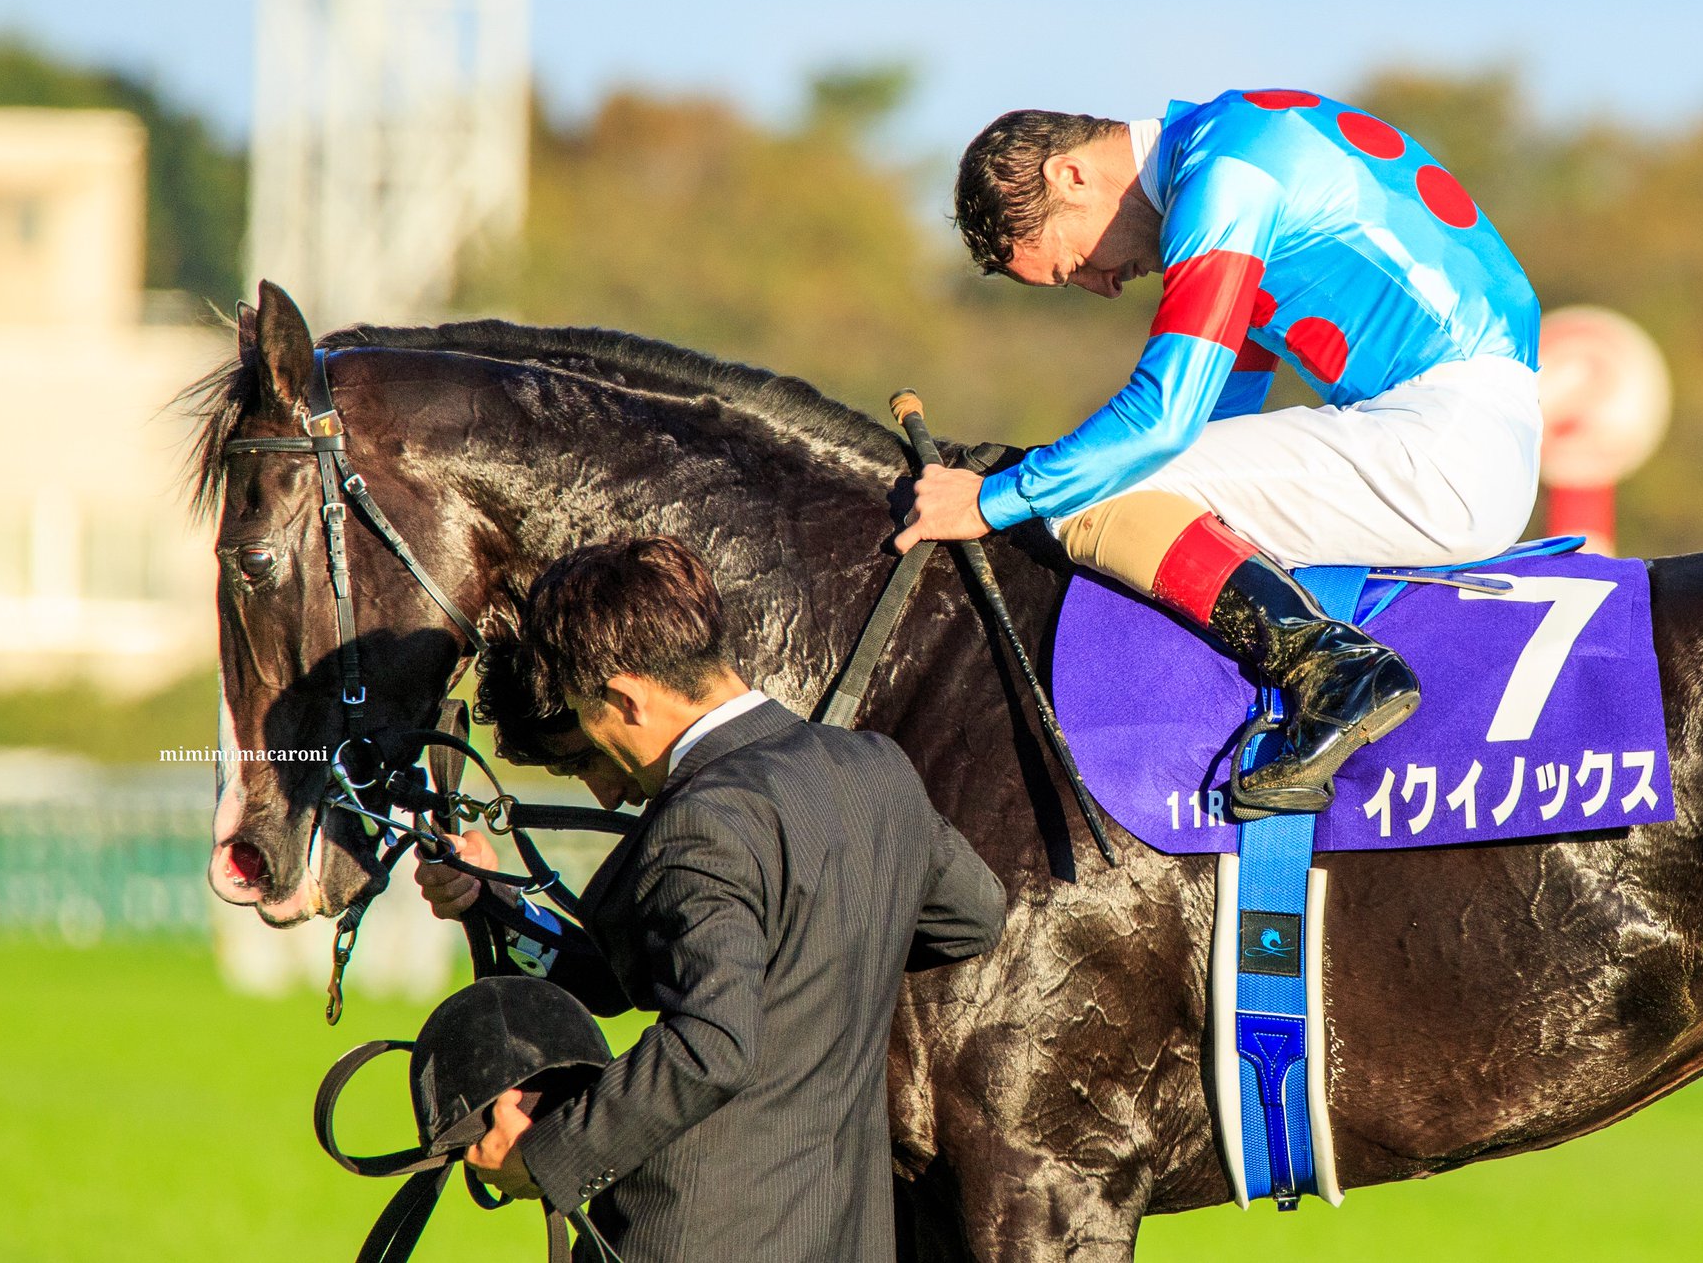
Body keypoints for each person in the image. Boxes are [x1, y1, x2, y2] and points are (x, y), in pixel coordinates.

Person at [895, 90, 1544, 814]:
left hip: (1441, 440)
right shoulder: (1227, 145)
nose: (1103, 288)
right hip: (1472, 433)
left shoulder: (1227, 174)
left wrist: (993, 500)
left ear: (1070, 176)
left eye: (1072, 264)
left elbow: (1165, 422)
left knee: (1092, 498)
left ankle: (1337, 670)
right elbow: (1213, 421)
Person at [415, 536, 1006, 1261]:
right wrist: (495, 899)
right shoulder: (877, 768)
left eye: (583, 717)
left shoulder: (700, 821)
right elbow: (976, 913)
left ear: (625, 699)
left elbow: (713, 1047)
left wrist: (543, 1155)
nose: (603, 778)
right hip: (850, 1236)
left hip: (697, 1235)